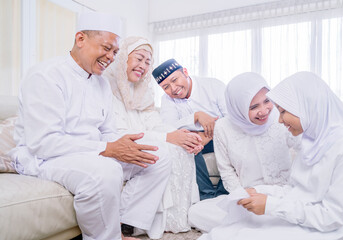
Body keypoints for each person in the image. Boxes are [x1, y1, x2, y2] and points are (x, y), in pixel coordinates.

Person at [10, 12, 171, 240]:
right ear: (80, 39)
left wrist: (122, 145)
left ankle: (124, 224)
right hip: (47, 158)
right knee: (106, 171)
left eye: (115, 52)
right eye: (106, 48)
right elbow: (44, 144)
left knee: (158, 157)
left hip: (90, 153)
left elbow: (107, 132)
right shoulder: (46, 75)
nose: (111, 57)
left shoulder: (101, 83)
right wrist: (107, 149)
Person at [199, 71, 343, 240]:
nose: (279, 120)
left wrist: (271, 205)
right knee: (223, 231)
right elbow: (297, 191)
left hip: (329, 226)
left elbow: (332, 217)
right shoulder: (311, 139)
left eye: (283, 112)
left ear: (306, 107)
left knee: (241, 234)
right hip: (304, 212)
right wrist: (258, 192)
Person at [103, 36, 202, 239]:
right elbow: (118, 132)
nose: (143, 66)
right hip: (117, 144)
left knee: (180, 146)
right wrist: (168, 137)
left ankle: (174, 219)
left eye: (148, 62)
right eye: (139, 58)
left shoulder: (141, 90)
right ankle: (129, 220)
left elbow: (154, 122)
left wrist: (180, 135)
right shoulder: (106, 87)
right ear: (123, 57)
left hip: (143, 138)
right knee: (162, 149)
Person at [188, 72, 300, 232]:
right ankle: (261, 226)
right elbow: (226, 171)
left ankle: (256, 227)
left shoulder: (281, 117)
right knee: (196, 212)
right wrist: (242, 197)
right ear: (238, 107)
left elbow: (304, 146)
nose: (264, 111)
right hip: (246, 200)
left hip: (282, 196)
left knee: (287, 213)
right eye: (254, 107)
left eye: (267, 101)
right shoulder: (223, 127)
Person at [152, 59, 228, 200]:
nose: (173, 88)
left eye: (175, 80)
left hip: (223, 136)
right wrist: (196, 116)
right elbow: (169, 128)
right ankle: (206, 198)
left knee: (234, 139)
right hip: (196, 139)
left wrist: (211, 134)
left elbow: (232, 119)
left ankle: (224, 195)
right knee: (185, 143)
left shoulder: (213, 86)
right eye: (166, 87)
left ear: (185, 72)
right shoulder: (167, 99)